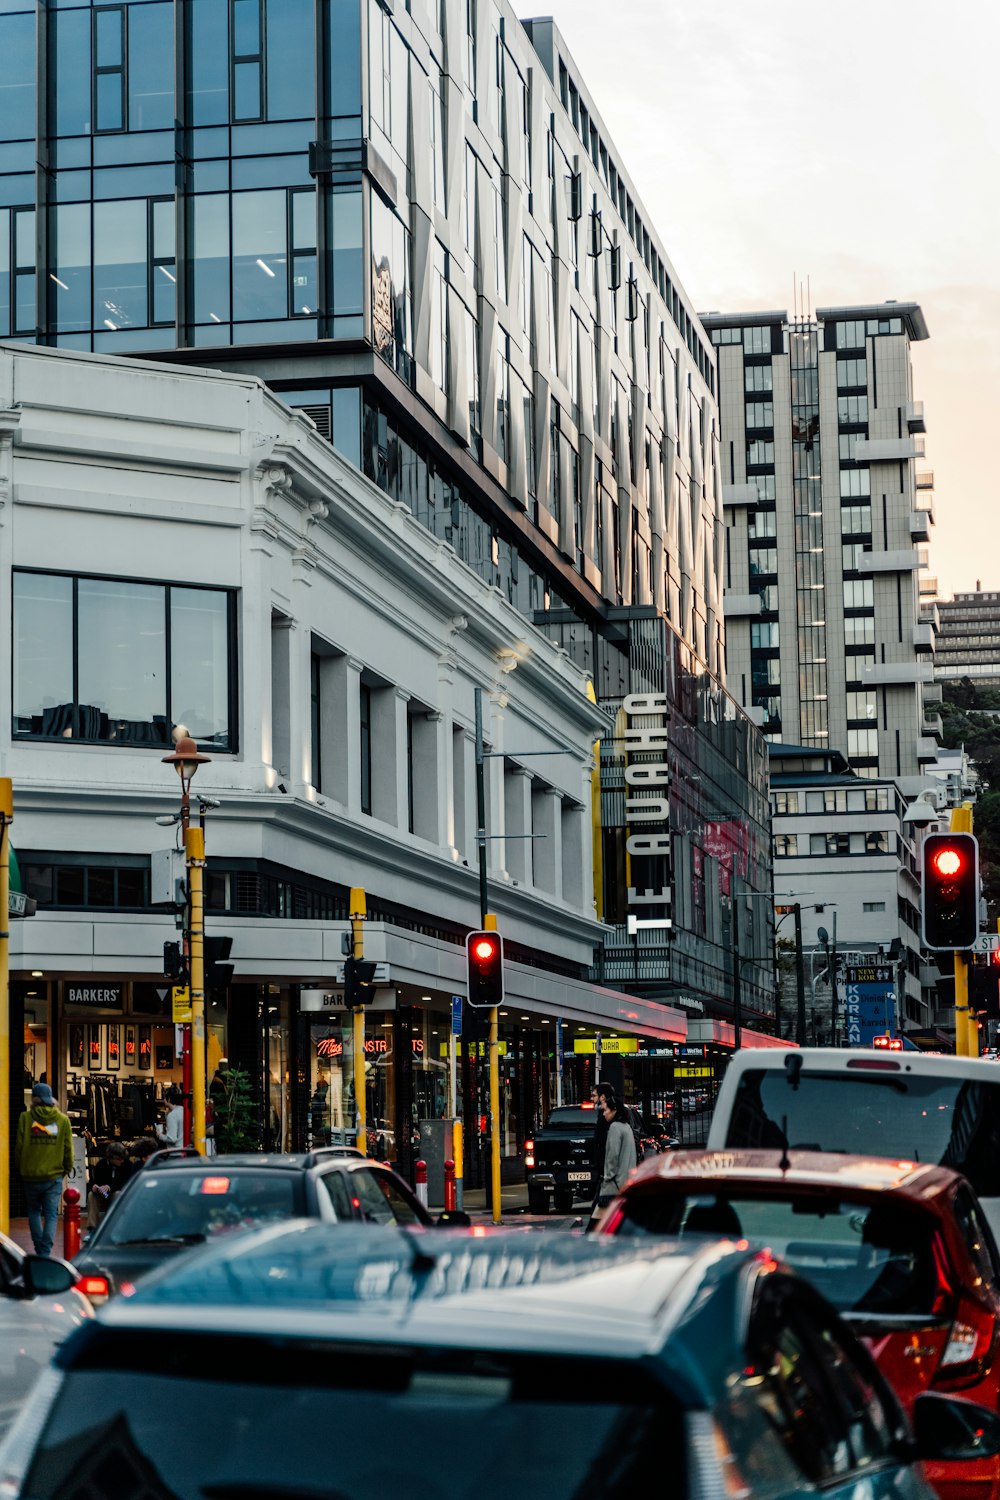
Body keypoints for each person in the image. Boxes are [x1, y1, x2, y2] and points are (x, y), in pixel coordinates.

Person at [15, 1082, 74, 1257]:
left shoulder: (25, 1118)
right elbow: (68, 1149)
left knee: (33, 1212)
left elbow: (18, 1147)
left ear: (34, 1099)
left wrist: (21, 1168)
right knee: (51, 1215)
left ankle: (39, 1247)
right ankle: (45, 1251)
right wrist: (66, 1169)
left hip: (30, 1175)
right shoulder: (63, 1120)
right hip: (53, 1176)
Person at [589, 1096, 637, 1231]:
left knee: (595, 1224)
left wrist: (607, 1177)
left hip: (613, 1185)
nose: (604, 1114)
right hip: (625, 1182)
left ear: (614, 1110)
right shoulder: (626, 1127)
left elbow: (612, 1156)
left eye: (605, 1110)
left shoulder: (615, 1127)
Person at [87, 1142, 132, 1228]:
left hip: (116, 1194)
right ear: (110, 1158)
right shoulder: (101, 1164)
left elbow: (126, 1183)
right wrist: (94, 1187)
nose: (122, 1161)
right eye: (118, 1159)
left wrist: (109, 1187)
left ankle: (115, 1225)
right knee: (91, 1195)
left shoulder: (127, 1165)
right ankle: (92, 1228)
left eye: (123, 1158)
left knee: (118, 1194)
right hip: (104, 1194)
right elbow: (93, 1181)